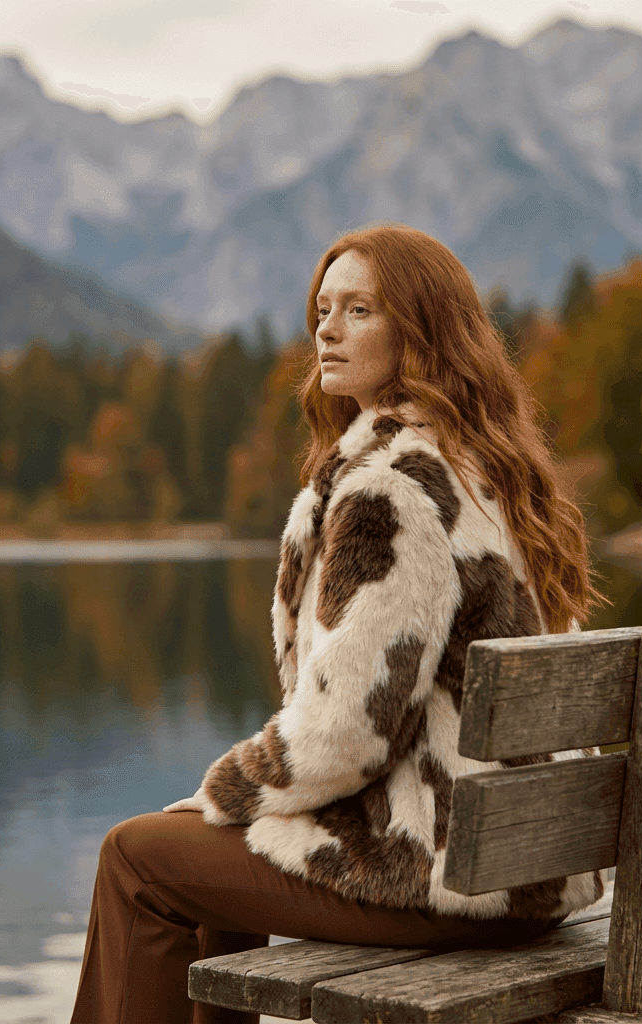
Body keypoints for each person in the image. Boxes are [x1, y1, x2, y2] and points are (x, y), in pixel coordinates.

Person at [70, 223, 611, 1024]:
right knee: (211, 855)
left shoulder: (391, 487)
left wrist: (224, 791)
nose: (327, 330)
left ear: (421, 331)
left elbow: (351, 735)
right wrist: (241, 808)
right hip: (532, 871)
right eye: (322, 310)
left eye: (359, 310)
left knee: (136, 857)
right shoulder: (489, 471)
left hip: (442, 877)